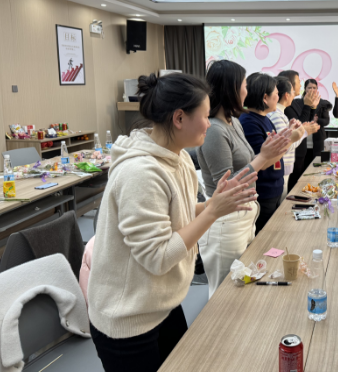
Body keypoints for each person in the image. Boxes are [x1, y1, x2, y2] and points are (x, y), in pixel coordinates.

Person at [88, 72, 259, 372]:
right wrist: (212, 212)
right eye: (205, 116)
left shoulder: (178, 158)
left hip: (161, 302)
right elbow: (157, 257)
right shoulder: (140, 173)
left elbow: (178, 212)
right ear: (179, 118)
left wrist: (212, 205)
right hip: (127, 319)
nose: (209, 124)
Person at [196, 60, 290, 297]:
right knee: (224, 294)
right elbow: (226, 187)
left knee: (241, 289)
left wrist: (273, 151)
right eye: (244, 85)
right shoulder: (214, 130)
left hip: (245, 216)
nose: (247, 91)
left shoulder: (234, 122)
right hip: (226, 223)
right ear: (231, 88)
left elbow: (252, 164)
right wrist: (264, 156)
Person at [240, 72, 303, 234]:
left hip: (273, 189)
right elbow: (262, 161)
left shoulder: (265, 119)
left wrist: (288, 132)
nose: (278, 96)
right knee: (264, 237)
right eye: (276, 93)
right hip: (262, 193)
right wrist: (290, 139)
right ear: (265, 98)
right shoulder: (249, 122)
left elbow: (273, 149)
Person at [279, 69, 320, 191]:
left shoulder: (294, 103)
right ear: (290, 84)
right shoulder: (286, 107)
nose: (301, 86)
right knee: (292, 189)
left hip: (300, 151)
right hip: (293, 153)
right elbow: (299, 127)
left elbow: (306, 121)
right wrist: (307, 106)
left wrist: (312, 107)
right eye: (298, 82)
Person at [267, 76, 306, 199]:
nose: (294, 94)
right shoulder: (276, 115)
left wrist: (291, 129)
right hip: (281, 168)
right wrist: (304, 132)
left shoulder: (280, 114)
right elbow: (286, 146)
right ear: (286, 95)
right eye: (292, 91)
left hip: (283, 168)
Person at [303, 79, 332, 163]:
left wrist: (317, 120)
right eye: (309, 88)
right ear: (305, 89)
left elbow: (326, 121)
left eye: (314, 88)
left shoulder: (323, 104)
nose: (312, 90)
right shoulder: (299, 103)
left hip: (318, 138)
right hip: (303, 138)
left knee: (317, 163)